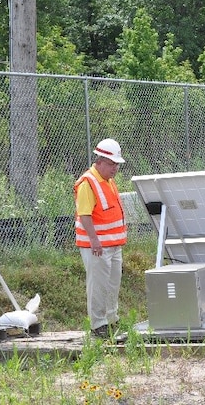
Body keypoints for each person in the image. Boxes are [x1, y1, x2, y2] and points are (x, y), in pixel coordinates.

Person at [74, 138, 127, 338]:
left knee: (113, 283)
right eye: (112, 164)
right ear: (101, 161)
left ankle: (111, 319)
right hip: (96, 246)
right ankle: (98, 324)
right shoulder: (88, 183)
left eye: (117, 165)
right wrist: (95, 240)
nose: (115, 168)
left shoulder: (109, 182)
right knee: (98, 285)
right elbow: (85, 215)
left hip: (113, 244)